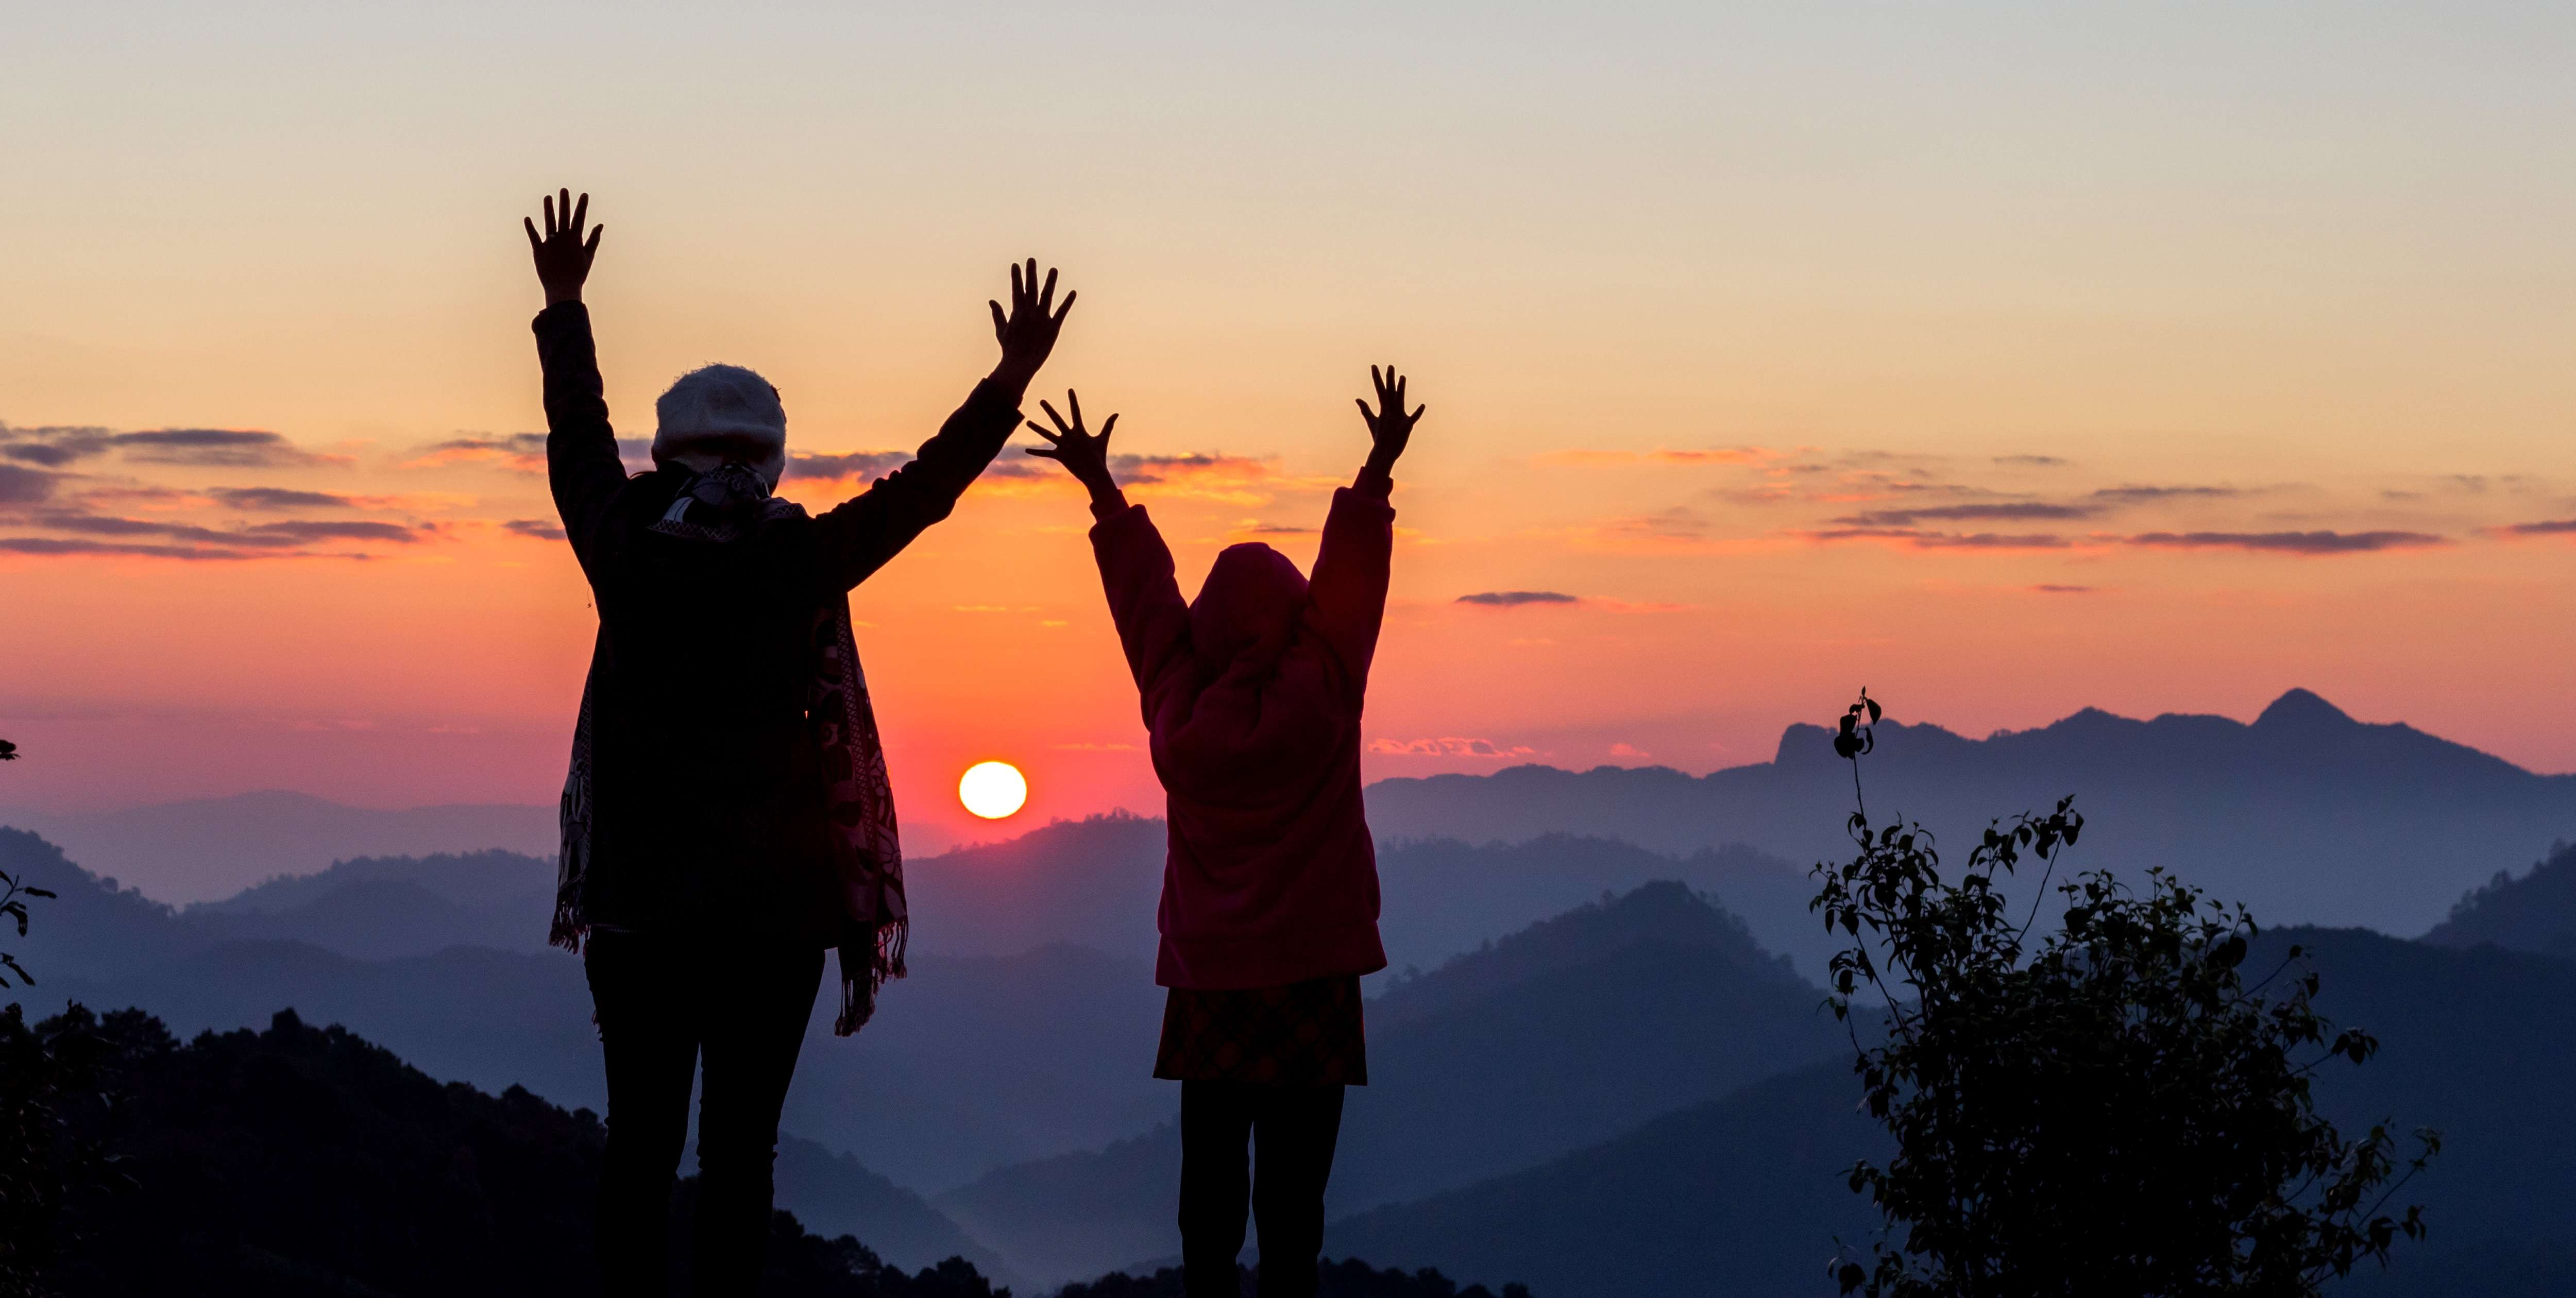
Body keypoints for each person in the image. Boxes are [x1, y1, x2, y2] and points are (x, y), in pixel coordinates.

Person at [521, 189, 1074, 1295]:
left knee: (640, 1146)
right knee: (740, 1157)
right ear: (770, 461)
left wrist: (566, 307)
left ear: (669, 457)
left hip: (638, 912)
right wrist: (1007, 381)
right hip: (775, 924)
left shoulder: (626, 550)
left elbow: (578, 443)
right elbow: (922, 494)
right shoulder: (798, 561)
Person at [1024, 368, 1425, 1298]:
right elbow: (1351, 589)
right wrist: (1377, 469)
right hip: (1314, 984)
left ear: (1209, 627)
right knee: (1296, 1210)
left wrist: (1102, 487)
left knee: (1208, 1201)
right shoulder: (1324, 687)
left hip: (1209, 986)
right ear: (1291, 620)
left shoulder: (1177, 701)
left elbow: (1146, 607)